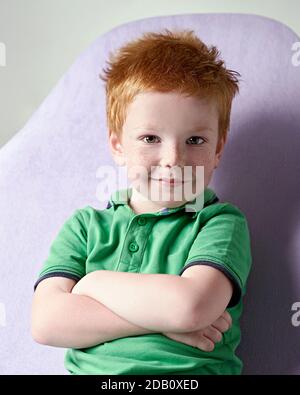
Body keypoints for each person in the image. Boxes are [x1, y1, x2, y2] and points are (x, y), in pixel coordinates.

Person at [31, 29, 252, 375]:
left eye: (195, 140)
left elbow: (190, 307)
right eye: (150, 138)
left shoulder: (219, 222)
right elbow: (46, 322)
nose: (173, 159)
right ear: (118, 145)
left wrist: (93, 285)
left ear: (218, 150)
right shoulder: (85, 227)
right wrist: (160, 321)